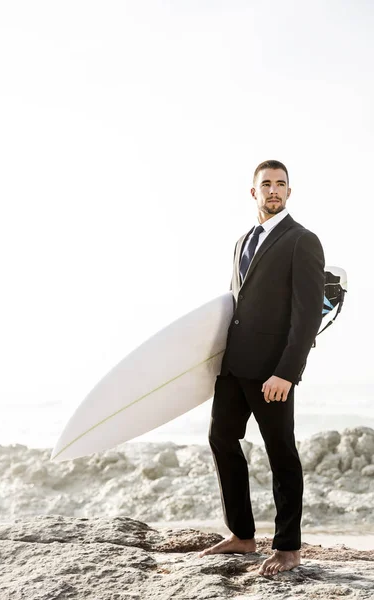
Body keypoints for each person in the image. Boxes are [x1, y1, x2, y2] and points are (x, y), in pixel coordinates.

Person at [199, 160, 325, 577]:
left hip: (273, 372)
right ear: (253, 192)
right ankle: (242, 534)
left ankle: (288, 547)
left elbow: (306, 316)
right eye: (266, 184)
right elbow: (236, 307)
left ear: (290, 192)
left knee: (281, 455)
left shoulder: (301, 241)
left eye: (281, 184)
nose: (274, 190)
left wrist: (287, 372)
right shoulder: (242, 241)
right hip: (234, 367)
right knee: (221, 439)